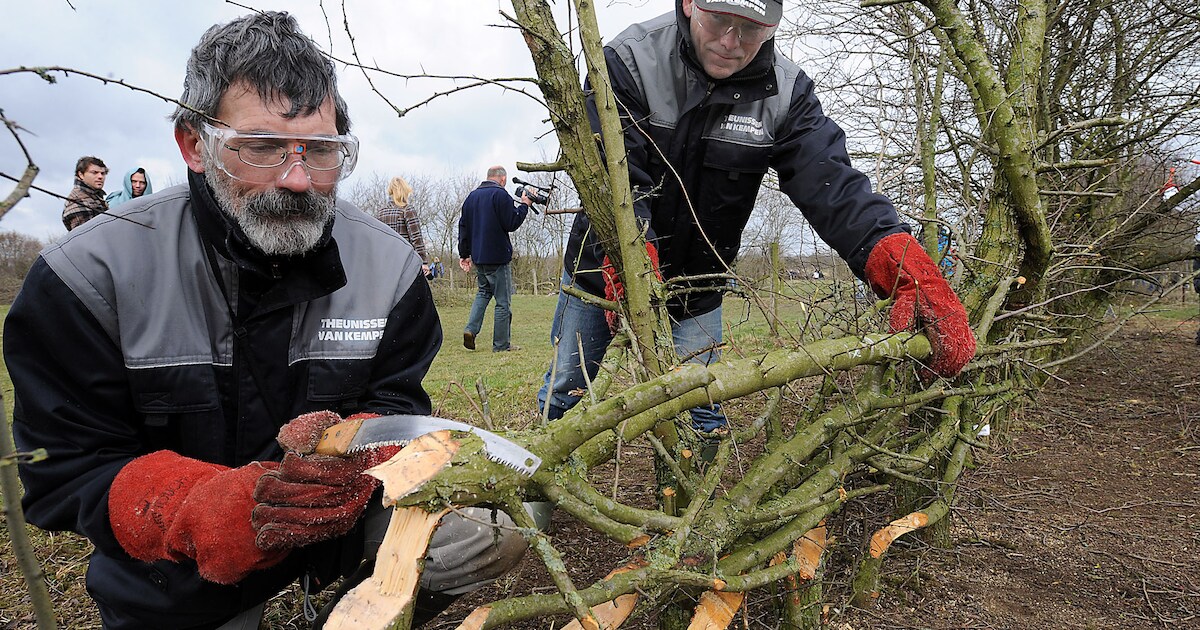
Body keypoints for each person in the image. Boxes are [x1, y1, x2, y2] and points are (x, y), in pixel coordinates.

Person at [6, 12, 531, 630]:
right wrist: (197, 508)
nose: (299, 179)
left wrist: (355, 455)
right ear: (195, 145)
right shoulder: (89, 274)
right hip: (172, 572)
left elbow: (396, 403)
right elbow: (63, 467)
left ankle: (352, 614)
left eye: (323, 151)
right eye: (260, 147)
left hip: (332, 529)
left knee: (490, 525)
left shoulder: (388, 266)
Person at [537, 0, 977, 429]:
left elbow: (832, 184)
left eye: (750, 28)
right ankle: (536, 473)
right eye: (719, 20)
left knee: (700, 408)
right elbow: (615, 182)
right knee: (565, 390)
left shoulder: (786, 93)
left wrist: (899, 263)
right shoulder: (628, 62)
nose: (731, 41)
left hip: (698, 287)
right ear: (689, 4)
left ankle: (696, 474)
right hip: (601, 271)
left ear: (772, 27)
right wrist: (628, 260)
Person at [457, 165, 531, 352]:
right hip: (498, 258)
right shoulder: (501, 195)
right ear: (503, 179)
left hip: (479, 257)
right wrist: (525, 205)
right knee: (503, 302)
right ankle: (501, 345)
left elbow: (463, 227)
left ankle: (470, 329)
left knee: (483, 293)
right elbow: (512, 223)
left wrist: (464, 254)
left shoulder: (471, 198)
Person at [378, 175, 431, 278]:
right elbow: (416, 237)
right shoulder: (407, 209)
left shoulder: (381, 212)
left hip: (385, 263)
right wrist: (423, 262)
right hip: (405, 263)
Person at [62, 155, 109, 230]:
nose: (100, 176)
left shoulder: (94, 196)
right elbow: (86, 234)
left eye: (103, 173)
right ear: (81, 174)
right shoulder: (77, 200)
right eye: (94, 172)